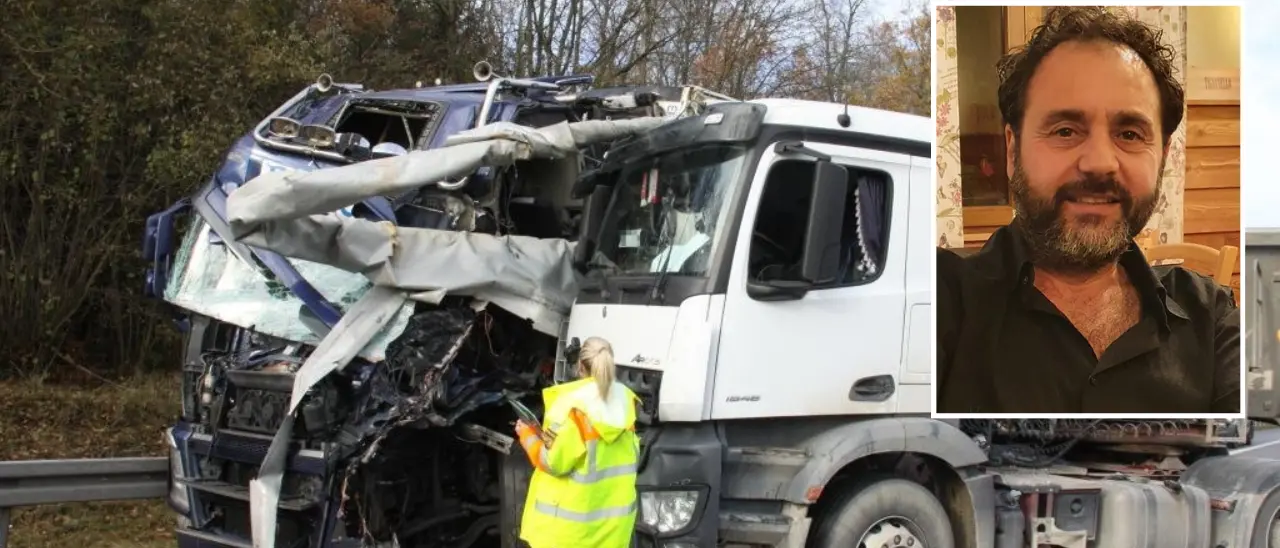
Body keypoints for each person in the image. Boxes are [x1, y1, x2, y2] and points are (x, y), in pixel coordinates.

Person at [936, 7, 1240, 413]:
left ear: (1163, 157)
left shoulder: (1213, 319)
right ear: (1012, 150)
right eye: (1065, 130)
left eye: (1130, 134)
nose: (1100, 162)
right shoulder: (938, 306)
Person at [515, 336, 641, 548]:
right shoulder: (626, 401)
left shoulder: (570, 406)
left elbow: (552, 461)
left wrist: (527, 435)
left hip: (572, 535)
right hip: (613, 531)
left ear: (580, 366)